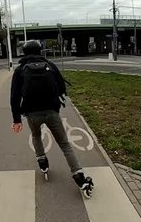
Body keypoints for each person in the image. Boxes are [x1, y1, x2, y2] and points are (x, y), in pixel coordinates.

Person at [9, 40, 94, 197]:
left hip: (32, 114)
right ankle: (79, 175)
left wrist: (16, 119)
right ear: (40, 51)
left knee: (36, 136)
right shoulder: (51, 66)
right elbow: (61, 88)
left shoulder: (20, 69)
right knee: (64, 144)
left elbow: (14, 97)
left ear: (25, 52)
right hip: (51, 112)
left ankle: (42, 161)